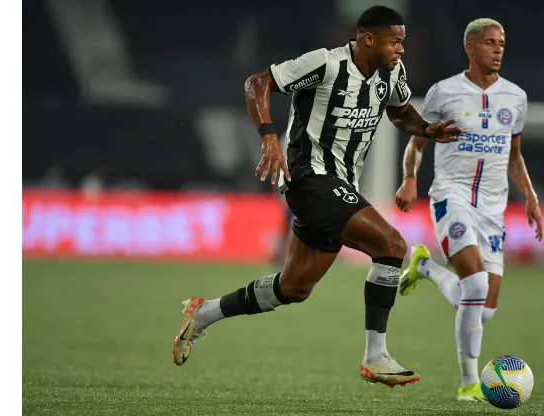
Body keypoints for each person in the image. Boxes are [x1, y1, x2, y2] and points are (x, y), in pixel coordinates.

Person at [171, 6, 462, 388]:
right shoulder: (324, 65)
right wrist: (270, 137)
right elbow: (257, 83)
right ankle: (376, 356)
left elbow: (400, 112)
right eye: (395, 41)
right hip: (308, 177)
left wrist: (426, 129)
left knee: (292, 289)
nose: (401, 49)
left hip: (341, 186)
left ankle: (203, 313)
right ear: (369, 39)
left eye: (402, 42)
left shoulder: (391, 75)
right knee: (391, 246)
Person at [394, 18, 543, 400]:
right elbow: (416, 143)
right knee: (474, 288)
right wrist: (410, 179)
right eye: (491, 43)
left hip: (493, 209)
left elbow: (514, 156)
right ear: (470, 48)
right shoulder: (443, 93)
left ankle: (424, 265)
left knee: (483, 310)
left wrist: (529, 195)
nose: (498, 49)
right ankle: (468, 385)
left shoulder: (516, 97)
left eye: (502, 43)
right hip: (451, 196)